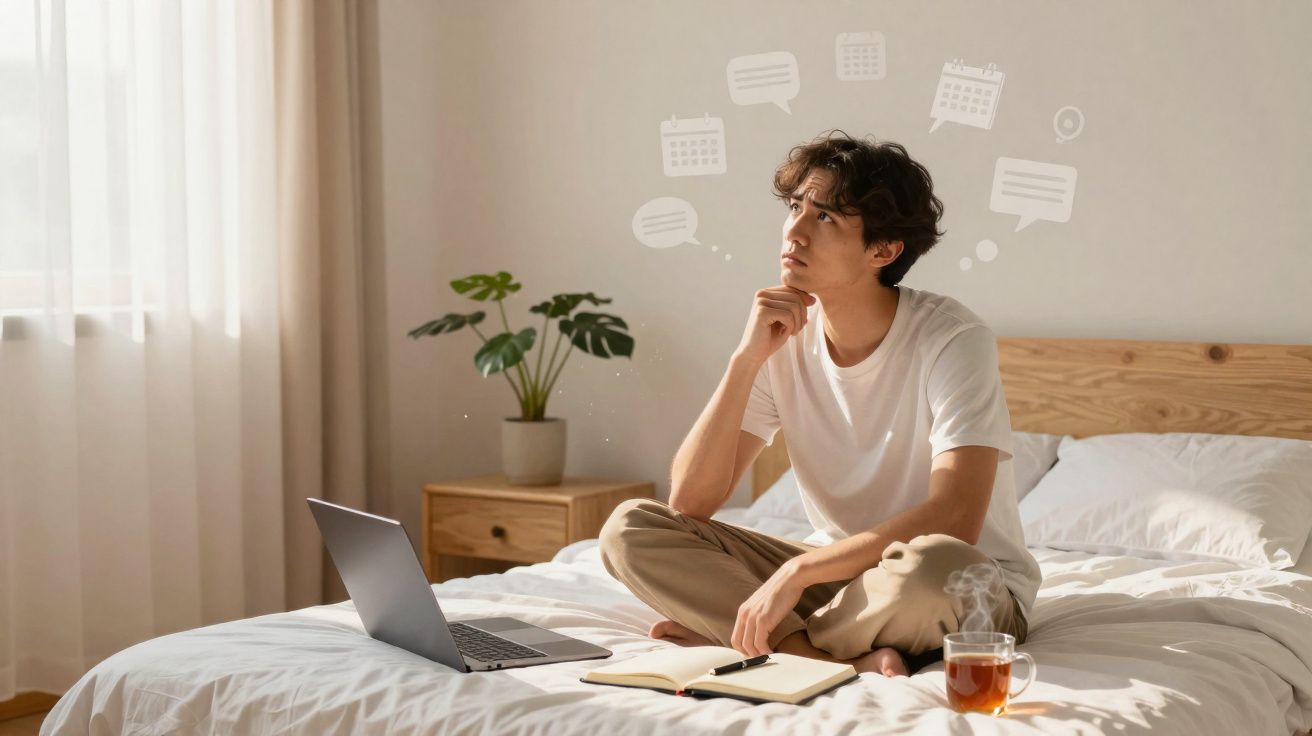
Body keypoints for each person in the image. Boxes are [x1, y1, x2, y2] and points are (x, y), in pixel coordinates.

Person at [598, 130, 1040, 677]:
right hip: (839, 584)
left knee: (936, 564)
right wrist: (744, 360)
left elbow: (954, 517)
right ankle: (814, 652)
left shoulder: (952, 338)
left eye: (826, 217)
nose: (795, 231)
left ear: (883, 250)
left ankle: (757, 635)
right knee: (629, 527)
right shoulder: (783, 340)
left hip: (961, 585)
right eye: (795, 207)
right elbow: (689, 504)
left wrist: (795, 576)